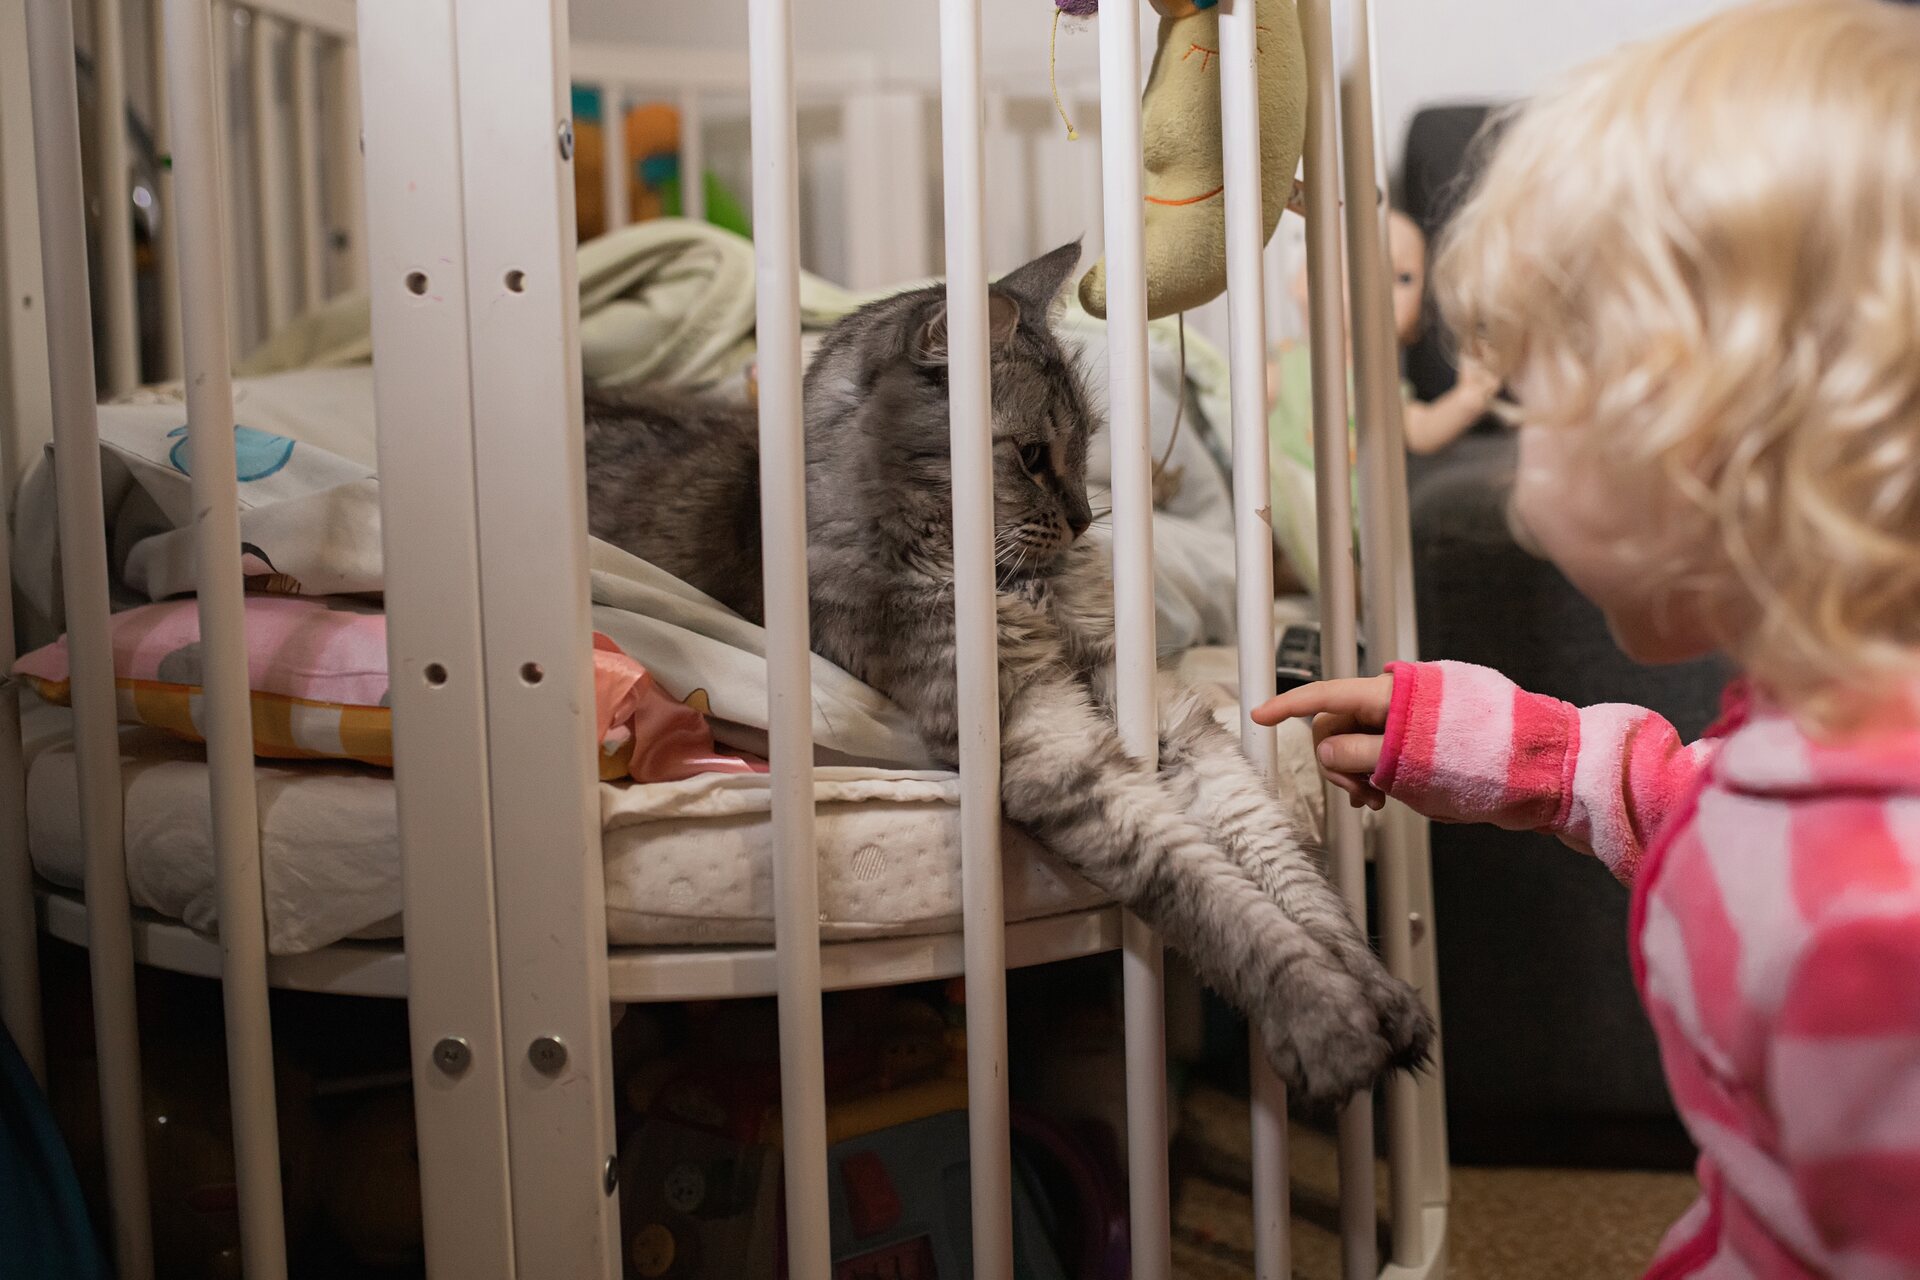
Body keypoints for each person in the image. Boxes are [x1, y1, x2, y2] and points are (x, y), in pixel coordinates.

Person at [1256, 2, 1920, 1275]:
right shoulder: (1813, 736)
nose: (1516, 455)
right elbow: (1690, 798)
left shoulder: (1869, 933)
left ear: (1702, 436)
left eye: (1537, 393)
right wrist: (1522, 751)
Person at [1265, 209, 1499, 594]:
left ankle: (1314, 581)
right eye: (1353, 262)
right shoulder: (1285, 362)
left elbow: (1421, 430)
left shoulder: (1382, 385)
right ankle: (1288, 574)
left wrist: (1467, 400)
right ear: (1300, 283)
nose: (1375, 283)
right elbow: (1232, 410)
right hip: (1282, 506)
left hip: (1348, 525)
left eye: (1403, 278)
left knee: (1342, 553)